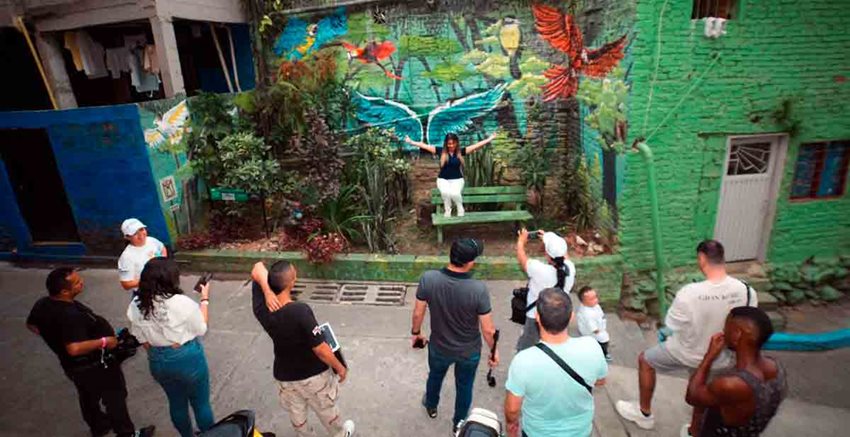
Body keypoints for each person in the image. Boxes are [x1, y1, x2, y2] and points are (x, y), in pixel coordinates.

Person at [616, 240, 758, 433]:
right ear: (723, 259)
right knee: (703, 391)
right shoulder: (747, 291)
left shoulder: (689, 293)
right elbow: (749, 323)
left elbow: (672, 325)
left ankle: (644, 414)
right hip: (720, 358)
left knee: (645, 360)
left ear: (702, 259)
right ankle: (693, 431)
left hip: (685, 352)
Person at [26, 267, 155, 437]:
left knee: (88, 396)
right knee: (115, 397)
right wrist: (105, 341)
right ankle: (126, 434)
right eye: (77, 283)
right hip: (96, 364)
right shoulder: (69, 315)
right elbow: (74, 348)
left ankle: (99, 426)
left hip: (73, 366)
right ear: (64, 291)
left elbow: (32, 325)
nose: (82, 283)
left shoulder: (43, 304)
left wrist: (54, 339)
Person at [251, 261, 356, 437]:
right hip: (313, 377)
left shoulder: (263, 310)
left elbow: (257, 267)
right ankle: (340, 434)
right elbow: (321, 349)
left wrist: (267, 292)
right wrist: (340, 368)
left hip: (285, 377)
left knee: (298, 416)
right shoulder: (300, 311)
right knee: (326, 410)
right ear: (291, 282)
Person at [411, 238, 499, 432]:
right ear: (470, 262)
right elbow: (487, 329)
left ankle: (431, 405)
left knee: (435, 376)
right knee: (465, 386)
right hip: (469, 351)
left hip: (439, 346)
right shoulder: (478, 289)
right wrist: (494, 351)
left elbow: (418, 312)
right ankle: (459, 423)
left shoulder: (429, 279)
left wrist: (416, 333)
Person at [127, 258, 214, 437]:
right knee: (201, 403)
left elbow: (140, 338)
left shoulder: (136, 304)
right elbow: (201, 328)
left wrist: (159, 348)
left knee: (176, 402)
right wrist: (204, 300)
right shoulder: (181, 303)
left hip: (157, 359)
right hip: (186, 358)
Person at [504, 288, 607, 437]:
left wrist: (511, 425)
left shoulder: (523, 361)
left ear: (538, 317)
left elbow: (513, 410)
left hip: (538, 432)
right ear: (571, 316)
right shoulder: (592, 347)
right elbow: (600, 381)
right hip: (580, 431)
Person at [685, 306, 786, 437]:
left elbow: (692, 396)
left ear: (737, 334)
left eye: (726, 327)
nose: (722, 331)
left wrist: (708, 358)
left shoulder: (731, 384)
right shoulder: (776, 367)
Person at [405, 132, 496, 217]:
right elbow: (424, 146)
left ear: (456, 143)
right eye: (449, 144)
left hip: (457, 180)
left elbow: (476, 146)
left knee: (455, 193)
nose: (451, 146)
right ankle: (447, 210)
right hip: (443, 179)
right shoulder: (440, 151)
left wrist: (490, 139)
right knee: (445, 193)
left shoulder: (461, 152)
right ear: (446, 144)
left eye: (453, 143)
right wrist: (411, 142)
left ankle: (460, 209)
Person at [515, 229, 576, 351]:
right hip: (559, 314)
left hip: (536, 315)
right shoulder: (570, 268)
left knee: (526, 347)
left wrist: (521, 241)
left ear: (547, 254)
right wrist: (548, 240)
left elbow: (522, 258)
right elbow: (564, 257)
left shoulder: (538, 269)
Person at [118, 218, 167, 294]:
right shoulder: (126, 257)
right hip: (145, 294)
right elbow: (126, 284)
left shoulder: (151, 240)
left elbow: (162, 248)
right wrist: (150, 279)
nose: (141, 235)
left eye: (141, 230)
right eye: (135, 233)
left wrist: (164, 264)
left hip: (163, 288)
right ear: (127, 237)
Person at [576, 286, 612, 362]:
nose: (595, 300)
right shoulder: (587, 314)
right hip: (591, 332)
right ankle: (603, 353)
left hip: (599, 325)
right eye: (591, 299)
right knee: (603, 339)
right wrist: (599, 331)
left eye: (595, 297)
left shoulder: (595, 306)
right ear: (583, 302)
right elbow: (593, 328)